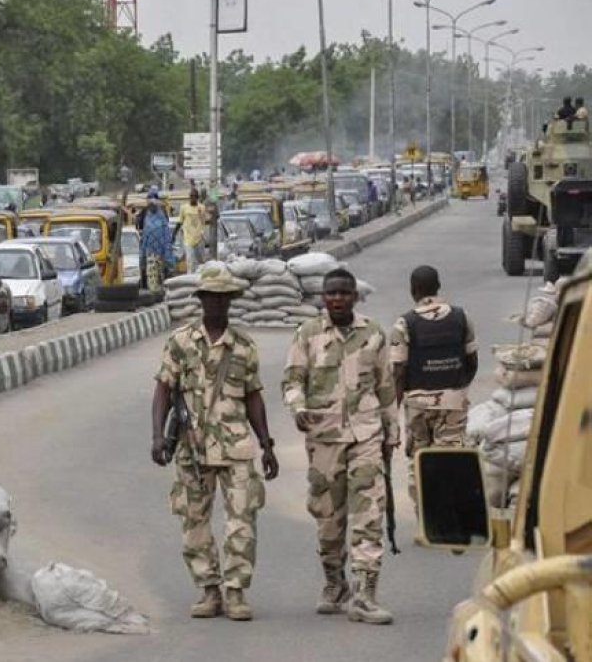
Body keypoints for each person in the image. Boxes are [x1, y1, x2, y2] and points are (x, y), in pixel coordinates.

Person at [151, 266, 279, 621]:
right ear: (202, 299)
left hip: (236, 446)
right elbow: (163, 389)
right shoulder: (180, 342)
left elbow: (253, 396)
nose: (218, 303)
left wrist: (267, 444)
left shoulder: (244, 346)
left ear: (231, 301)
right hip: (192, 446)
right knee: (193, 520)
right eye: (212, 297)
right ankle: (209, 589)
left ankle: (236, 591)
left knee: (242, 520)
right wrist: (158, 436)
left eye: (224, 297)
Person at [282, 268, 397, 626]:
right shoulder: (308, 334)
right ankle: (335, 583)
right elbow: (292, 380)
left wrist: (391, 433)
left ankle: (365, 594)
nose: (337, 299)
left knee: (369, 514)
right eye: (331, 293)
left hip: (366, 436)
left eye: (344, 293)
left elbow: (386, 386)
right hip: (324, 438)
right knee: (328, 519)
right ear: (323, 297)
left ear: (354, 296)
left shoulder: (373, 334)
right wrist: (298, 408)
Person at [390, 266, 477, 509]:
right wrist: (457, 388)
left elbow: (398, 372)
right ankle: (450, 514)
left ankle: (425, 514)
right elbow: (472, 361)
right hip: (453, 403)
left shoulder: (404, 323)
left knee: (419, 459)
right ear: (438, 286)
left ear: (412, 290)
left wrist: (394, 410)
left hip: (418, 406)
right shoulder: (461, 316)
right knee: (451, 459)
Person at [139, 193, 173, 291]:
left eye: (153, 205)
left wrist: (168, 257)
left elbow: (167, 237)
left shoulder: (162, 218)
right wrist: (142, 258)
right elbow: (144, 237)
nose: (151, 207)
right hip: (150, 254)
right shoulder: (147, 217)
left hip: (162, 254)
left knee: (163, 283)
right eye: (149, 205)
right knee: (152, 283)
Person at [179, 190, 207, 275]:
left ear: (197, 198)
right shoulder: (184, 208)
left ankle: (200, 278)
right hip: (188, 239)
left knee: (201, 262)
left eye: (195, 196)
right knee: (190, 262)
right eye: (191, 196)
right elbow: (180, 222)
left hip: (199, 239)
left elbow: (203, 222)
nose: (193, 198)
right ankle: (190, 277)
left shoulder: (202, 208)